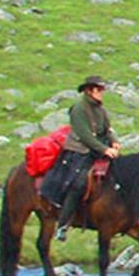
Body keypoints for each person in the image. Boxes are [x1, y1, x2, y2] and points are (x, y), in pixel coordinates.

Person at [51, 75, 122, 241]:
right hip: (79, 152)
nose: (101, 92)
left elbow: (108, 129)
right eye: (98, 89)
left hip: (98, 151)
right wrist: (105, 149)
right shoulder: (79, 109)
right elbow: (84, 136)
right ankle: (62, 224)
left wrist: (115, 142)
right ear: (89, 90)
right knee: (79, 183)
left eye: (102, 89)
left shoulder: (100, 109)